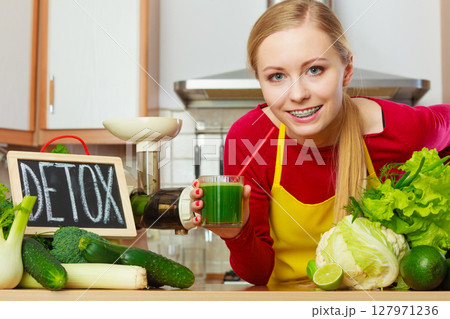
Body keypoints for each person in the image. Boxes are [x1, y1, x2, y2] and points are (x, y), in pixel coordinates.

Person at [190, 0, 450, 286]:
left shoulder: (396, 129)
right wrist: (236, 233)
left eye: (314, 70)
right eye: (277, 76)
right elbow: (258, 273)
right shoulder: (249, 139)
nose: (298, 94)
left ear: (347, 70)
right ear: (260, 81)